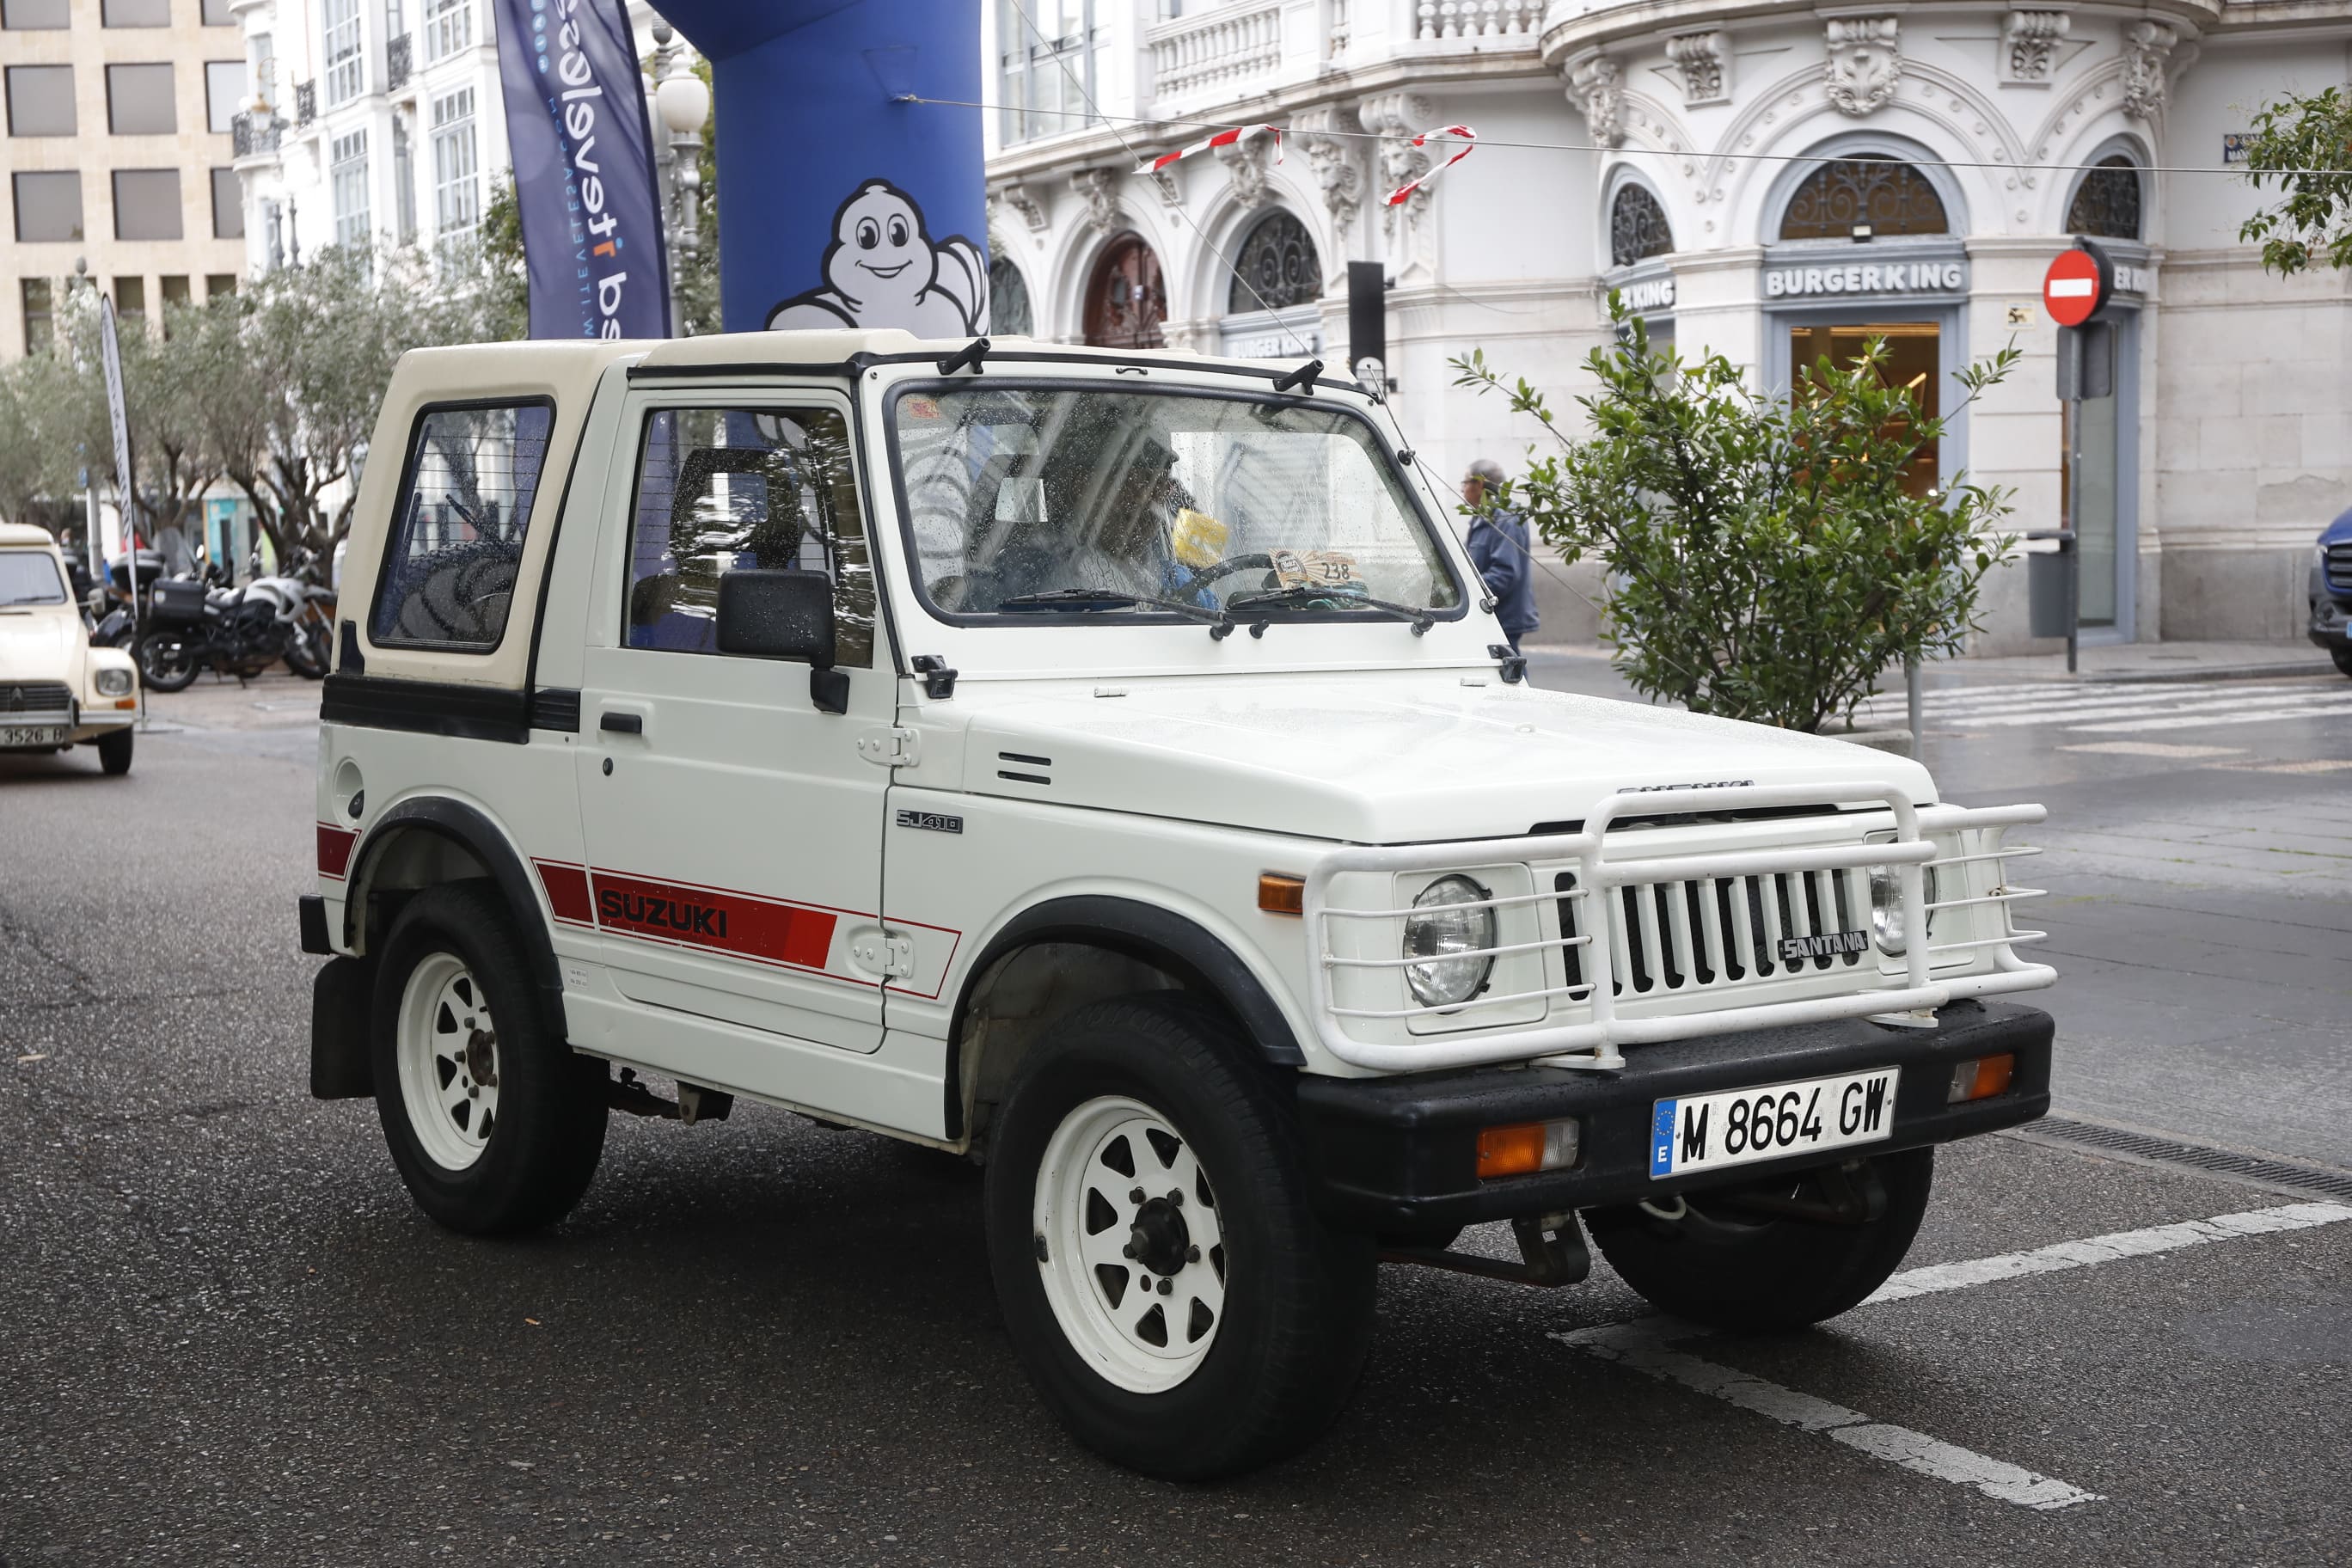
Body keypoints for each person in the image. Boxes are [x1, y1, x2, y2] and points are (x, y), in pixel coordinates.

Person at [1462, 458, 1537, 652]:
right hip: (1490, 614)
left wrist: (1467, 591)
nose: (1462, 490)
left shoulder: (1506, 518)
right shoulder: (1486, 515)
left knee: (1508, 674)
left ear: (1479, 484)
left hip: (1503, 616)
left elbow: (1504, 574)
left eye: (1465, 483)